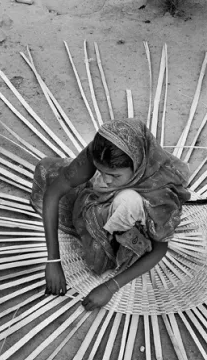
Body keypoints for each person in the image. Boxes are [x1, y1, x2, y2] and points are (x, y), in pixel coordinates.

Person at [30, 118, 191, 311]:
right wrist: (53, 260)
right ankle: (105, 210)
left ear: (138, 166)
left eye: (114, 176)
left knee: (127, 200)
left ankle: (113, 242)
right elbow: (54, 192)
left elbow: (159, 249)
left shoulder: (160, 193)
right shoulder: (102, 154)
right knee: (48, 169)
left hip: (133, 226)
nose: (105, 180)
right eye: (100, 171)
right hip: (104, 201)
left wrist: (110, 286)